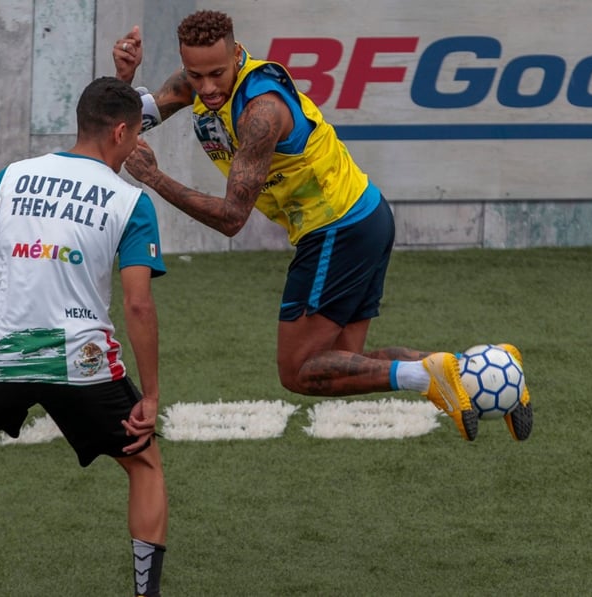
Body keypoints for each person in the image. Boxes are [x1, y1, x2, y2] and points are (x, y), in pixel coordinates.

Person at [112, 10, 532, 442]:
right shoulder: (193, 84)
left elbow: (231, 219)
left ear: (237, 54)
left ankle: (428, 377)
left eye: (217, 73)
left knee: (298, 370)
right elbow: (119, 124)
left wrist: (154, 177)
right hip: (365, 216)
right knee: (340, 364)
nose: (208, 88)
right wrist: (124, 78)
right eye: (197, 76)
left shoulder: (261, 112)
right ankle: (484, 370)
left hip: (337, 227)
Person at [0, 77, 169, 597]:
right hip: (84, 362)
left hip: (0, 357)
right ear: (120, 132)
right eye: (138, 136)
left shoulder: (11, 177)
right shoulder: (131, 201)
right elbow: (138, 303)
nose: (139, 146)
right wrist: (152, 394)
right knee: (143, 463)